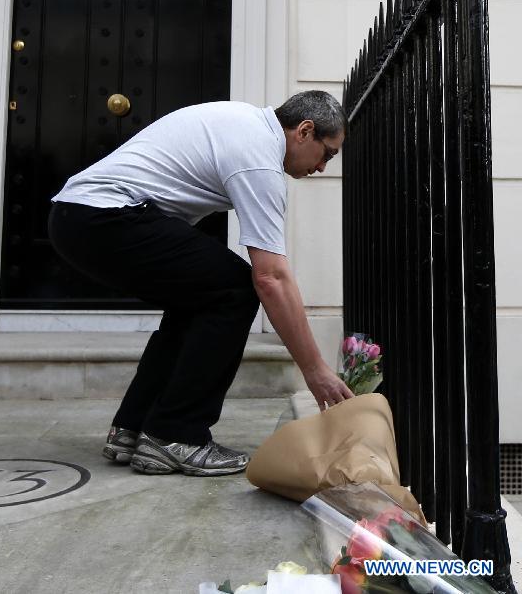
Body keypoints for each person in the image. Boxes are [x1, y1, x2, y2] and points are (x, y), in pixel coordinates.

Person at [48, 91, 353, 478]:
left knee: (200, 297)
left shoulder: (244, 123)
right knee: (235, 291)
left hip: (78, 217)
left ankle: (135, 427)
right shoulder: (258, 158)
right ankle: (177, 436)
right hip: (104, 216)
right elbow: (270, 278)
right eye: (328, 154)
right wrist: (315, 370)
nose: (324, 167)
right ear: (304, 131)